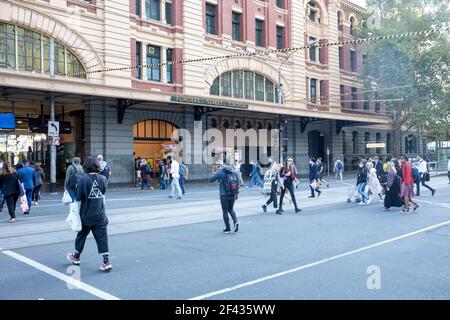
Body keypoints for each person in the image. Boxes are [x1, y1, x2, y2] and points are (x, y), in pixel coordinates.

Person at [67, 156, 112, 272]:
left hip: (86, 215)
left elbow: (78, 197)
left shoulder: (83, 179)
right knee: (102, 237)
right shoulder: (103, 178)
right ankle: (106, 261)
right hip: (100, 214)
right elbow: (103, 192)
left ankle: (76, 257)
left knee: (81, 236)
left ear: (85, 166)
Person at [208, 157, 240, 233]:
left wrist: (212, 175)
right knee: (231, 209)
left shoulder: (221, 172)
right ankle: (236, 222)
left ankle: (228, 228)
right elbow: (237, 183)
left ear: (224, 163)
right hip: (232, 194)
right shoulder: (234, 171)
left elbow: (211, 179)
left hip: (224, 194)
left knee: (225, 211)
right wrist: (237, 194)